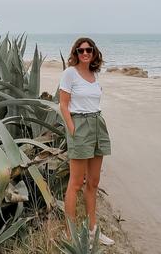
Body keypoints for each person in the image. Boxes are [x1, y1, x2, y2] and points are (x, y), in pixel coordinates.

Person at [59, 37, 114, 246]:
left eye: (88, 50)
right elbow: (63, 105)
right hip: (80, 125)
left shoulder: (94, 74)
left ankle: (93, 230)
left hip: (97, 124)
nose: (85, 53)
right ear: (75, 53)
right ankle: (70, 232)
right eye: (81, 50)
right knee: (75, 183)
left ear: (94, 53)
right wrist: (73, 130)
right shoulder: (69, 73)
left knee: (93, 182)